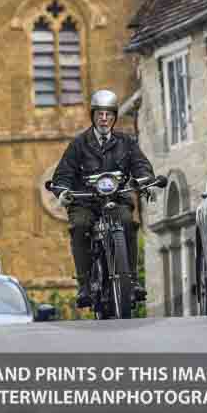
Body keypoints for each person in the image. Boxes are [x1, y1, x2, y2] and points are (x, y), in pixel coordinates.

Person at [52, 89, 154, 307]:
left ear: (114, 117)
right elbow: (63, 173)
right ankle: (84, 285)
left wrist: (145, 180)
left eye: (108, 114)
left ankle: (132, 281)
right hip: (85, 202)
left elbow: (140, 165)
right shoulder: (79, 144)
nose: (104, 119)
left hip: (116, 200)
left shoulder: (126, 142)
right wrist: (62, 191)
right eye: (100, 114)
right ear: (93, 116)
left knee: (127, 222)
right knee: (79, 225)